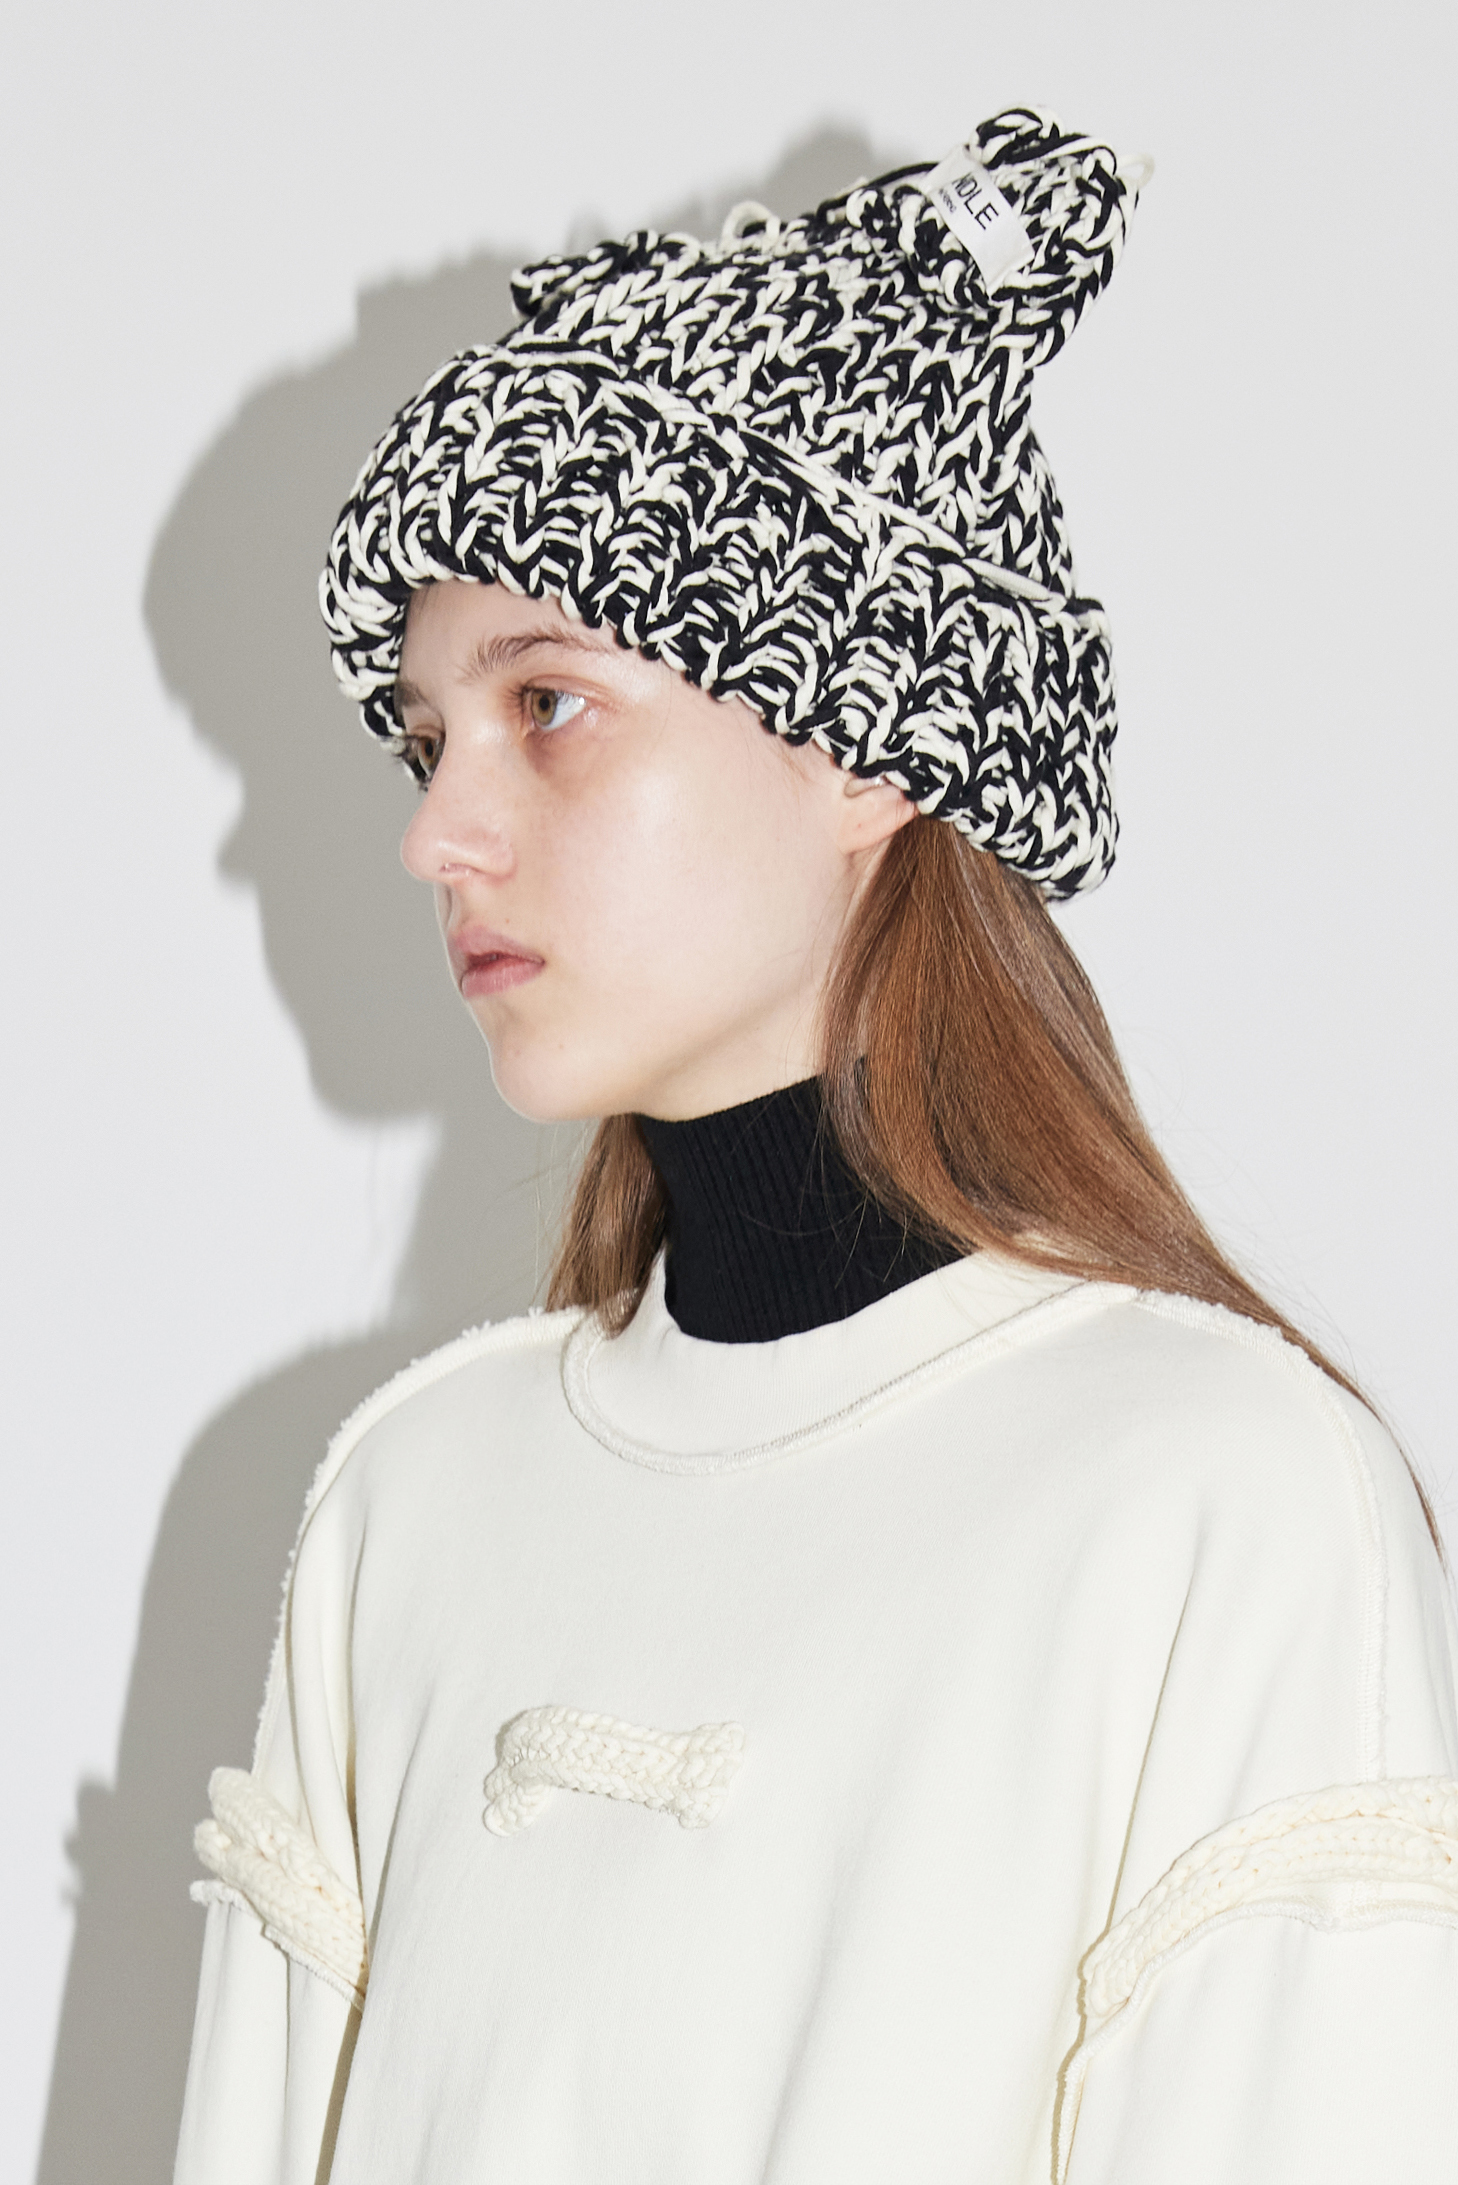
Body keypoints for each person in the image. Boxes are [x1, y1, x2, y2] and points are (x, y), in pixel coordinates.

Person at [175, 107, 1458, 2183]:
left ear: (865, 744)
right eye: (426, 741)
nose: (438, 833)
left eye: (546, 702)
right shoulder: (415, 1496)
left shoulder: (1217, 1496)